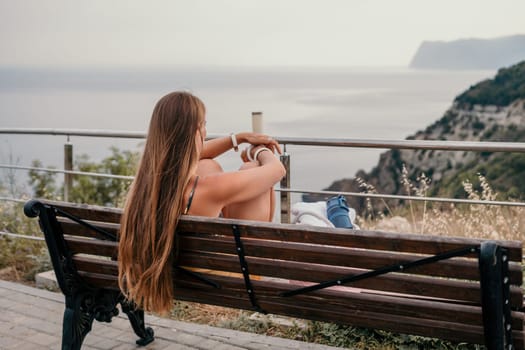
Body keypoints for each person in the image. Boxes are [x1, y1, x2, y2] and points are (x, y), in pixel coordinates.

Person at [118, 91, 286, 314]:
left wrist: (239, 138)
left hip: (180, 273)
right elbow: (277, 170)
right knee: (251, 169)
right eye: (203, 125)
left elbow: (190, 154)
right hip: (225, 280)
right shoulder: (205, 189)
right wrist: (259, 151)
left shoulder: (147, 182)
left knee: (206, 164)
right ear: (195, 132)